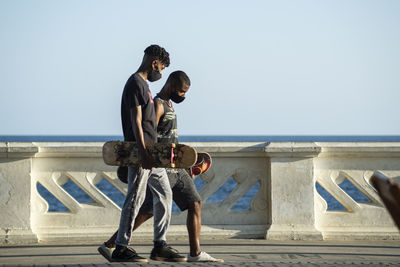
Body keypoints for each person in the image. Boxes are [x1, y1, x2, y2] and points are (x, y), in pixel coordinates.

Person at [98, 71, 223, 262]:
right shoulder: (157, 105)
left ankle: (194, 252)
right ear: (172, 85)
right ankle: (115, 244)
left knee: (194, 203)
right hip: (160, 166)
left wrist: (185, 163)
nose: (183, 96)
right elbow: (150, 135)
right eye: (181, 91)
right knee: (148, 208)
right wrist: (139, 158)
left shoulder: (170, 104)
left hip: (176, 168)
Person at [106, 45, 186, 262]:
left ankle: (160, 245)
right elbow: (136, 120)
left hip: (153, 153)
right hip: (143, 153)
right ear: (154, 63)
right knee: (135, 197)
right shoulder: (135, 83)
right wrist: (143, 152)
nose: (160, 73)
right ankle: (121, 247)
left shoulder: (144, 85)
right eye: (161, 67)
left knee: (164, 195)